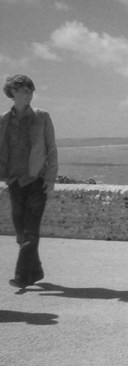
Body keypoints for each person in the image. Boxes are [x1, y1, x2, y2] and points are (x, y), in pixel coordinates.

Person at [1, 74, 57, 288]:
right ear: (13, 92)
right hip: (15, 181)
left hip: (36, 180)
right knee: (20, 234)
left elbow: (51, 149)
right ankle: (36, 270)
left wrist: (50, 178)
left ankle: (22, 275)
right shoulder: (4, 120)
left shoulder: (42, 117)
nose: (29, 94)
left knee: (30, 233)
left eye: (31, 90)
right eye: (25, 90)